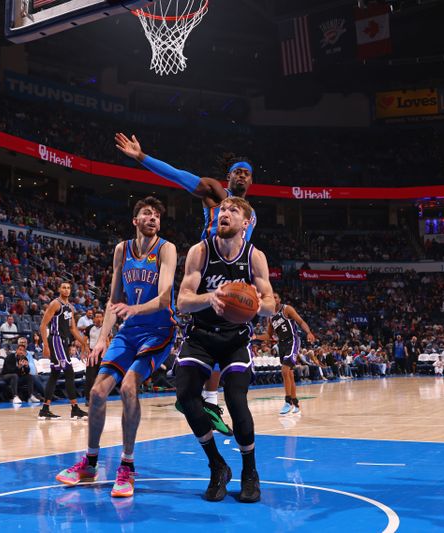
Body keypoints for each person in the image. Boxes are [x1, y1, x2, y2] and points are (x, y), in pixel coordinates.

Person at [116, 132, 257, 435]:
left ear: (251, 182)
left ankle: (208, 399)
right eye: (237, 172)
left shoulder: (249, 214)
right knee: (208, 332)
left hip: (233, 272)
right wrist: (142, 157)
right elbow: (180, 177)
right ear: (228, 177)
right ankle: (200, 394)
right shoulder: (214, 192)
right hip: (206, 268)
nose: (242, 176)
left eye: (247, 173)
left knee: (231, 333)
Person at [55, 197, 177, 498]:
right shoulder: (122, 249)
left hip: (159, 330)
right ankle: (91, 462)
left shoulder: (166, 249)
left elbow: (164, 298)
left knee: (128, 388)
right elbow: (114, 300)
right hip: (130, 331)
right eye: (147, 213)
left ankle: (127, 466)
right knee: (97, 392)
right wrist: (102, 338)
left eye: (157, 215)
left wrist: (134, 310)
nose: (153, 218)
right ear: (135, 220)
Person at [174, 197, 275, 503]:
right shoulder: (200, 251)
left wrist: (257, 305)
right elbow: (182, 301)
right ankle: (217, 466)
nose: (225, 213)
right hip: (201, 335)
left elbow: (270, 304)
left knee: (236, 400)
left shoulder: (255, 257)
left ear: (246, 223)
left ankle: (249, 471)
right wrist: (211, 298)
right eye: (222, 210)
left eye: (233, 210)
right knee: (185, 397)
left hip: (235, 340)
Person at [38, 281, 88, 420]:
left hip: (64, 342)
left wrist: (84, 343)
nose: (66, 290)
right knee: (69, 372)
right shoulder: (55, 304)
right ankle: (75, 409)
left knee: (54, 374)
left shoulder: (70, 307)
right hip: (56, 340)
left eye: (68, 288)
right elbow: (43, 325)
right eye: (63, 287)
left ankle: (45, 409)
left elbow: (73, 329)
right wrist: (46, 345)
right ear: (59, 289)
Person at [258, 301, 315, 416]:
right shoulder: (271, 318)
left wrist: (308, 332)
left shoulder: (287, 309)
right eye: (271, 297)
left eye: (275, 297)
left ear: (278, 300)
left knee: (284, 370)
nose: (273, 299)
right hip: (282, 344)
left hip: (292, 340)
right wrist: (255, 336)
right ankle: (296, 404)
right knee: (289, 375)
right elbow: (268, 336)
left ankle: (287, 401)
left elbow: (300, 321)